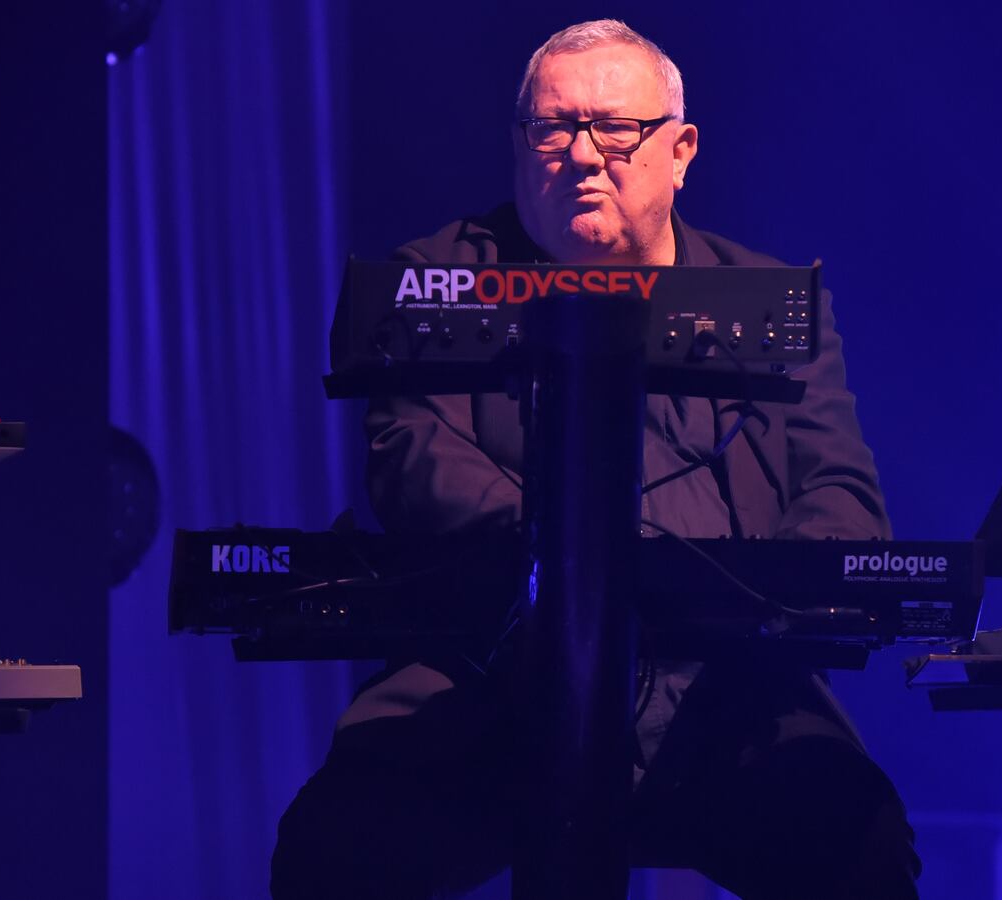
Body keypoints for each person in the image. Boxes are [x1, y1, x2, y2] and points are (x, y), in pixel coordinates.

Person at [271, 19, 920, 899]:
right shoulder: (431, 277)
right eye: (554, 128)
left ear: (681, 149)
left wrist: (728, 595)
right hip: (490, 680)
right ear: (519, 143)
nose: (583, 154)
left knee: (858, 840)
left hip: (721, 685)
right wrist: (593, 562)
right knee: (332, 848)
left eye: (616, 129)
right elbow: (410, 459)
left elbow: (840, 495)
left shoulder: (773, 301)